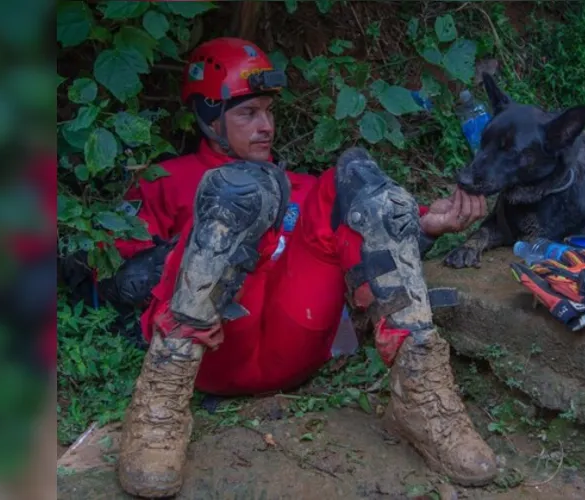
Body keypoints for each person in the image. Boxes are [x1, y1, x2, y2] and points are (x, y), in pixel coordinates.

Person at [115, 37, 497, 498]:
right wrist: (204, 243)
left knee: (355, 177)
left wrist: (428, 225)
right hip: (212, 354)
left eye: (268, 112)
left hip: (297, 342)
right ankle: (159, 406)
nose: (265, 126)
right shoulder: (166, 182)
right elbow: (123, 281)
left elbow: (370, 255)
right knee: (241, 192)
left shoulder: (304, 186)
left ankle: (422, 394)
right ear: (207, 117)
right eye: (247, 113)